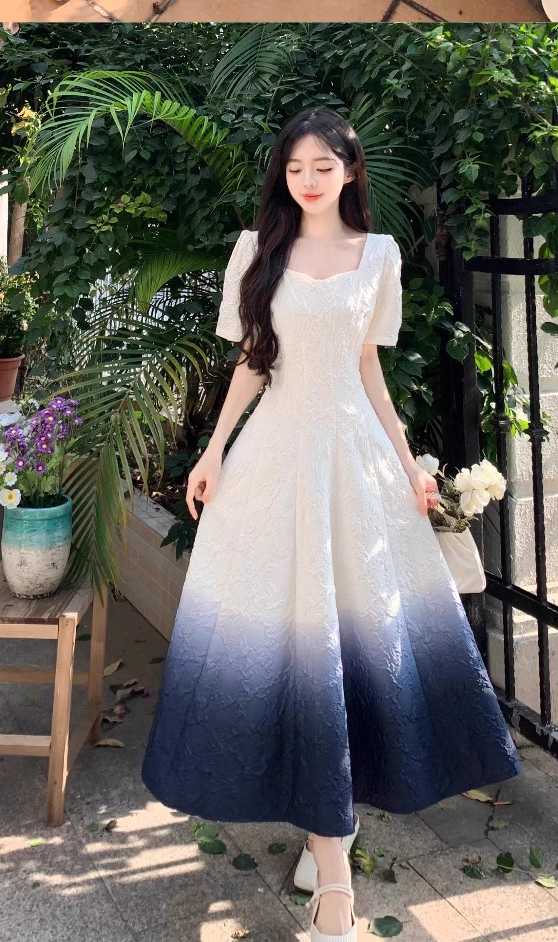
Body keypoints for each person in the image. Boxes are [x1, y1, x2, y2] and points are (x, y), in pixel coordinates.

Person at [141, 108, 522, 942]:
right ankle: (333, 871)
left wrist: (410, 460)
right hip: (276, 456)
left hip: (353, 460)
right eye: (295, 167)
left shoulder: (378, 256)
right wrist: (212, 453)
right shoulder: (259, 250)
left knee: (357, 641)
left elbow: (369, 372)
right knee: (290, 639)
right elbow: (250, 362)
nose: (307, 179)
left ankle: (333, 847)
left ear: (351, 171)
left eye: (324, 166)